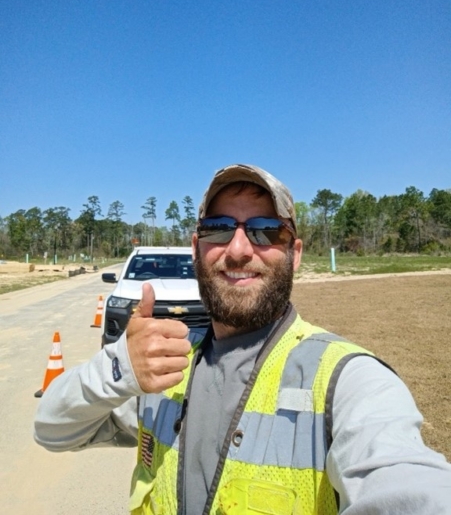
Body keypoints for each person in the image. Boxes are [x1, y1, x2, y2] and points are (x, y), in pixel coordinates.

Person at [34, 163, 451, 514]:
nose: (237, 250)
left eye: (265, 230)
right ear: (197, 248)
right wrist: (119, 365)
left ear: (295, 254)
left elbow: (405, 484)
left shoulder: (347, 381)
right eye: (218, 229)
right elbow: (51, 430)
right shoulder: (165, 370)